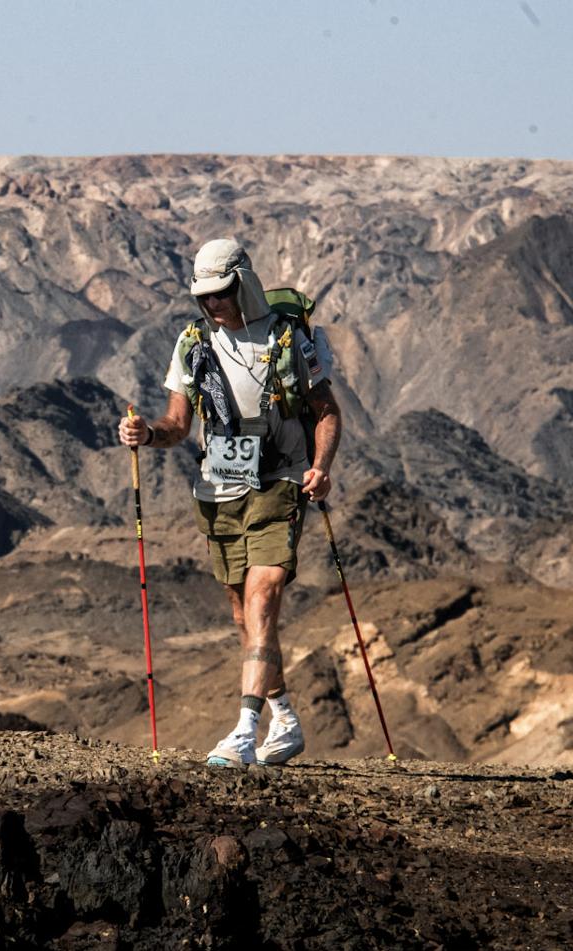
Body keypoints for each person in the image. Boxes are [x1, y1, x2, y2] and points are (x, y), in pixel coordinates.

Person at [117, 237, 342, 768]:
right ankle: (285, 719)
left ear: (242, 284)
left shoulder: (288, 340)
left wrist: (320, 467)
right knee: (245, 618)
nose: (212, 304)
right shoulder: (193, 343)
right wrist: (147, 434)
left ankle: (244, 731)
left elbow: (326, 411)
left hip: (280, 484)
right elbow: (177, 424)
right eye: (204, 296)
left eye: (220, 293)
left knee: (263, 599)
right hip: (218, 493)